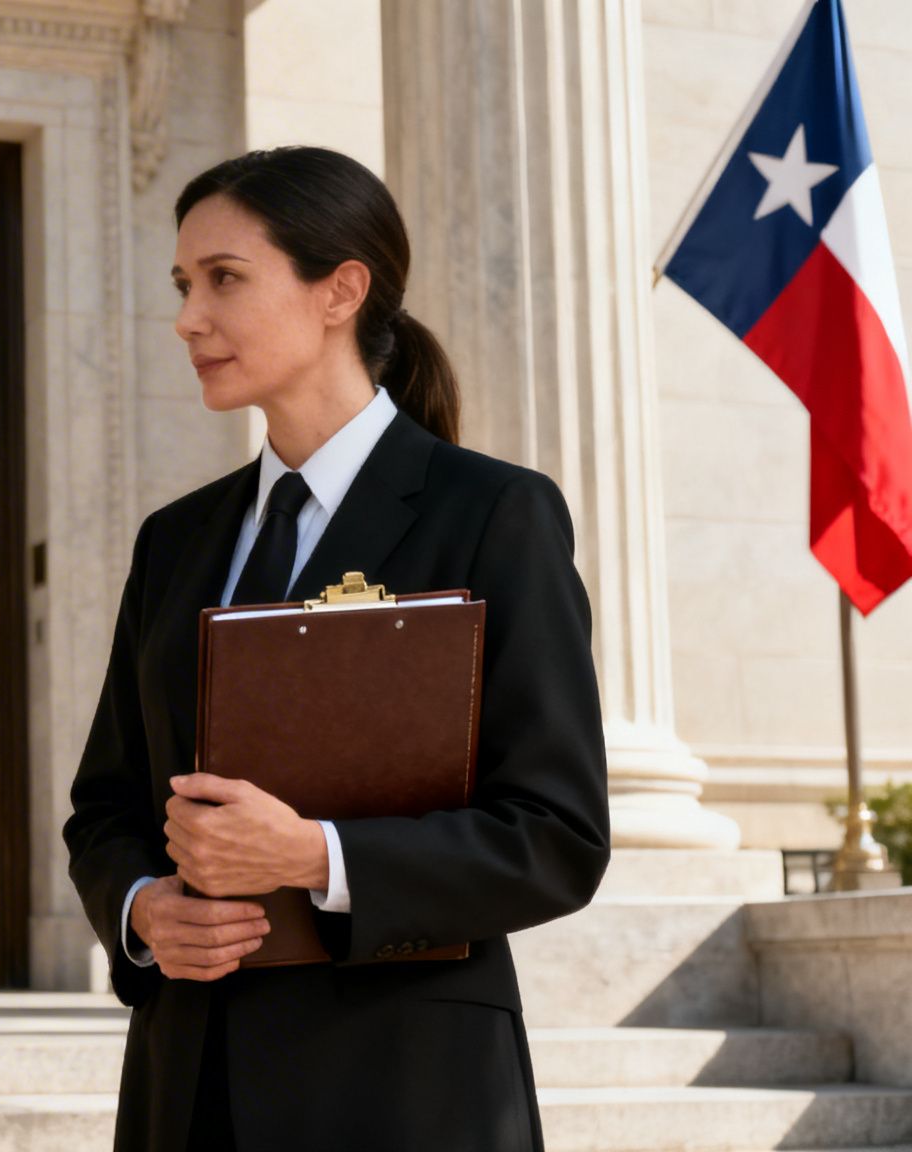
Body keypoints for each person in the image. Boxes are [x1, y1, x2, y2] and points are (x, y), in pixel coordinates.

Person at [64, 146, 611, 1151]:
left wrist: (316, 855)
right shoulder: (174, 541)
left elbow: (554, 835)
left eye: (223, 279)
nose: (188, 317)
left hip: (403, 1086)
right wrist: (142, 910)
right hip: (186, 1090)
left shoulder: (491, 514)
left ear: (338, 290)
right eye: (183, 285)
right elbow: (104, 806)